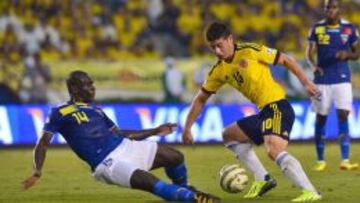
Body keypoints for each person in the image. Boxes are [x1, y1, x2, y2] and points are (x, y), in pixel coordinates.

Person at [22, 70, 220, 203]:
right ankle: (192, 199)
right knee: (152, 183)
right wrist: (37, 171)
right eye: (87, 85)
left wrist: (155, 131)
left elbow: (120, 134)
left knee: (175, 157)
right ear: (74, 89)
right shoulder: (59, 112)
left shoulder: (97, 111)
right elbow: (43, 143)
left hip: (125, 146)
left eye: (92, 84)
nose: (93, 88)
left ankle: (184, 190)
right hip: (106, 162)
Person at [182, 22, 322, 202]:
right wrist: (187, 127)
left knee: (273, 150)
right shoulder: (218, 71)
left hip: (278, 106)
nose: (217, 51)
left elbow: (286, 59)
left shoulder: (250, 51)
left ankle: (310, 191)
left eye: (219, 45)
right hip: (264, 112)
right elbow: (200, 98)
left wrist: (306, 83)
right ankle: (263, 178)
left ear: (230, 39)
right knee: (229, 134)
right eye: (212, 47)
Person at [306, 0, 359, 172]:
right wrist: (314, 67)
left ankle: (345, 159)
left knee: (343, 115)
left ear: (339, 9)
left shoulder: (350, 28)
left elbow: (357, 54)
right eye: (327, 7)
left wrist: (347, 54)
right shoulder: (316, 28)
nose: (330, 10)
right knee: (321, 118)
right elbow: (309, 53)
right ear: (324, 9)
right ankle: (320, 160)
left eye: (333, 7)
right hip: (322, 80)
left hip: (342, 78)